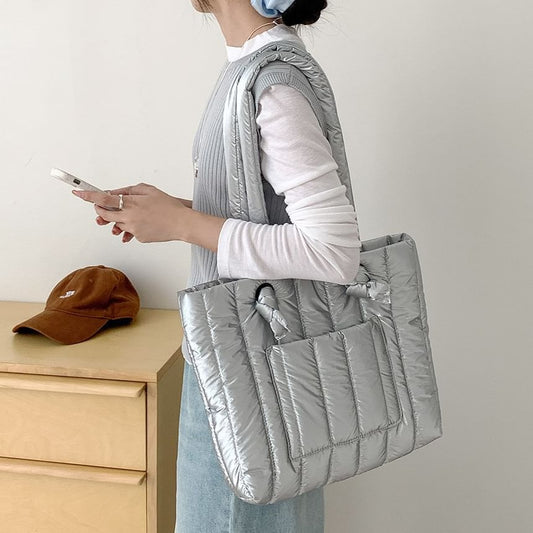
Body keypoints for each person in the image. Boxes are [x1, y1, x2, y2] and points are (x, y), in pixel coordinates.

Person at [73, 1, 361, 531]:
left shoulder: (273, 85)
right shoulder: (250, 70)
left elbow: (332, 250)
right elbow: (263, 213)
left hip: (250, 378)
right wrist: (170, 214)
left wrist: (183, 224)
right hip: (243, 366)